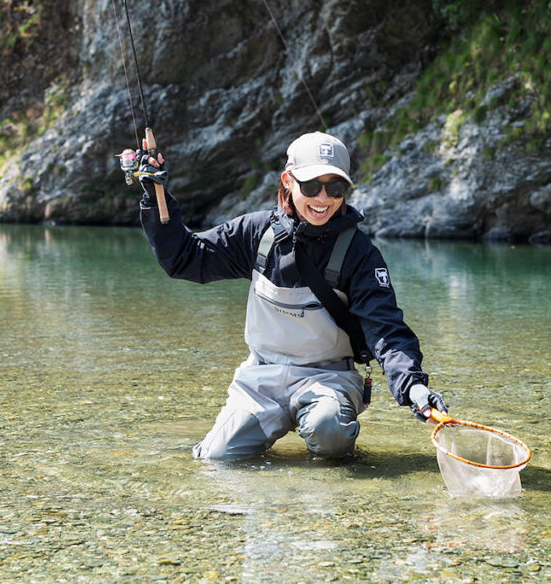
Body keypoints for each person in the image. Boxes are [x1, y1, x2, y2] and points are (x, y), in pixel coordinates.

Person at [138, 131, 447, 460]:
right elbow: (185, 259)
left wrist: (413, 386)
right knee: (217, 459)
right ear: (288, 180)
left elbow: (386, 329)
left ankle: (335, 461)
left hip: (330, 377)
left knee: (328, 431)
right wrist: (156, 197)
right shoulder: (256, 233)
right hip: (261, 378)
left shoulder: (360, 254)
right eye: (312, 186)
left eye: (336, 188)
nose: (323, 198)